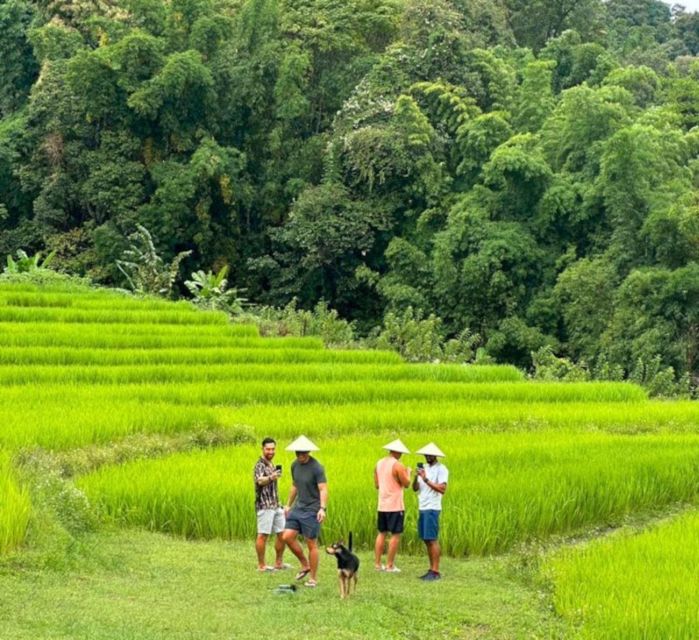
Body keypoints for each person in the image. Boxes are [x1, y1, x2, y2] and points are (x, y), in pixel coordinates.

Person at [282, 435, 328, 588]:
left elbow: (323, 489)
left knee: (311, 544)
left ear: (308, 452)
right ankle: (304, 564)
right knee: (287, 536)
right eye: (297, 453)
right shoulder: (294, 465)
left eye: (303, 453)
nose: (300, 456)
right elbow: (295, 485)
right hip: (298, 507)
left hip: (312, 510)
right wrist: (288, 505)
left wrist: (322, 508)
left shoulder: (317, 468)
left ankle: (313, 578)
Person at [374, 438, 411, 572]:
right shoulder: (398, 465)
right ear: (397, 452)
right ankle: (390, 565)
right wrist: (409, 473)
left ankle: (377, 564)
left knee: (382, 533)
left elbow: (377, 485)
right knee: (395, 534)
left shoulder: (378, 463)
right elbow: (406, 484)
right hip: (395, 505)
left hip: (382, 505)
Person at [412, 442, 448, 581]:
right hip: (422, 507)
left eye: (429, 455)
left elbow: (442, 489)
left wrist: (426, 478)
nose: (427, 456)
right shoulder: (424, 468)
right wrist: (417, 476)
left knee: (432, 539)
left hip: (432, 508)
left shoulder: (442, 469)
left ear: (435, 456)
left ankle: (436, 571)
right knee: (426, 539)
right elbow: (415, 488)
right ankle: (431, 569)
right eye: (425, 454)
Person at [253, 437, 289, 571]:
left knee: (282, 534)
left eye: (273, 449)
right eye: (268, 449)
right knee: (263, 535)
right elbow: (259, 481)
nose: (271, 451)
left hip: (276, 505)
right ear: (262, 449)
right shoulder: (259, 465)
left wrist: (281, 505)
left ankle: (278, 563)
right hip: (264, 505)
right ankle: (261, 565)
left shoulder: (271, 464)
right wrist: (270, 477)